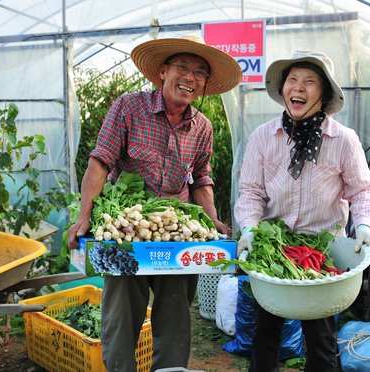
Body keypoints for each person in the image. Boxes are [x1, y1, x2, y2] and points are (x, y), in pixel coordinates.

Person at [66, 34, 242, 371]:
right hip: (126, 231)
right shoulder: (129, 107)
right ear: (163, 71)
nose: (190, 78)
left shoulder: (202, 127)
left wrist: (213, 221)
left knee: (176, 313)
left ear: (205, 84)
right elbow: (100, 162)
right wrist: (85, 215)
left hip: (174, 231)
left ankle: (170, 368)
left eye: (200, 73)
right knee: (121, 314)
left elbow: (201, 180)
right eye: (183, 67)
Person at [234, 50, 370, 371]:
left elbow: (361, 191)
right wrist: (248, 229)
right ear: (283, 88)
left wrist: (365, 226)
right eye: (292, 80)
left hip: (321, 255)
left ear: (324, 93)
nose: (298, 88)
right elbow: (251, 193)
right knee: (265, 331)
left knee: (321, 338)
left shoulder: (343, 140)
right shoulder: (263, 137)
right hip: (273, 252)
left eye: (309, 82)